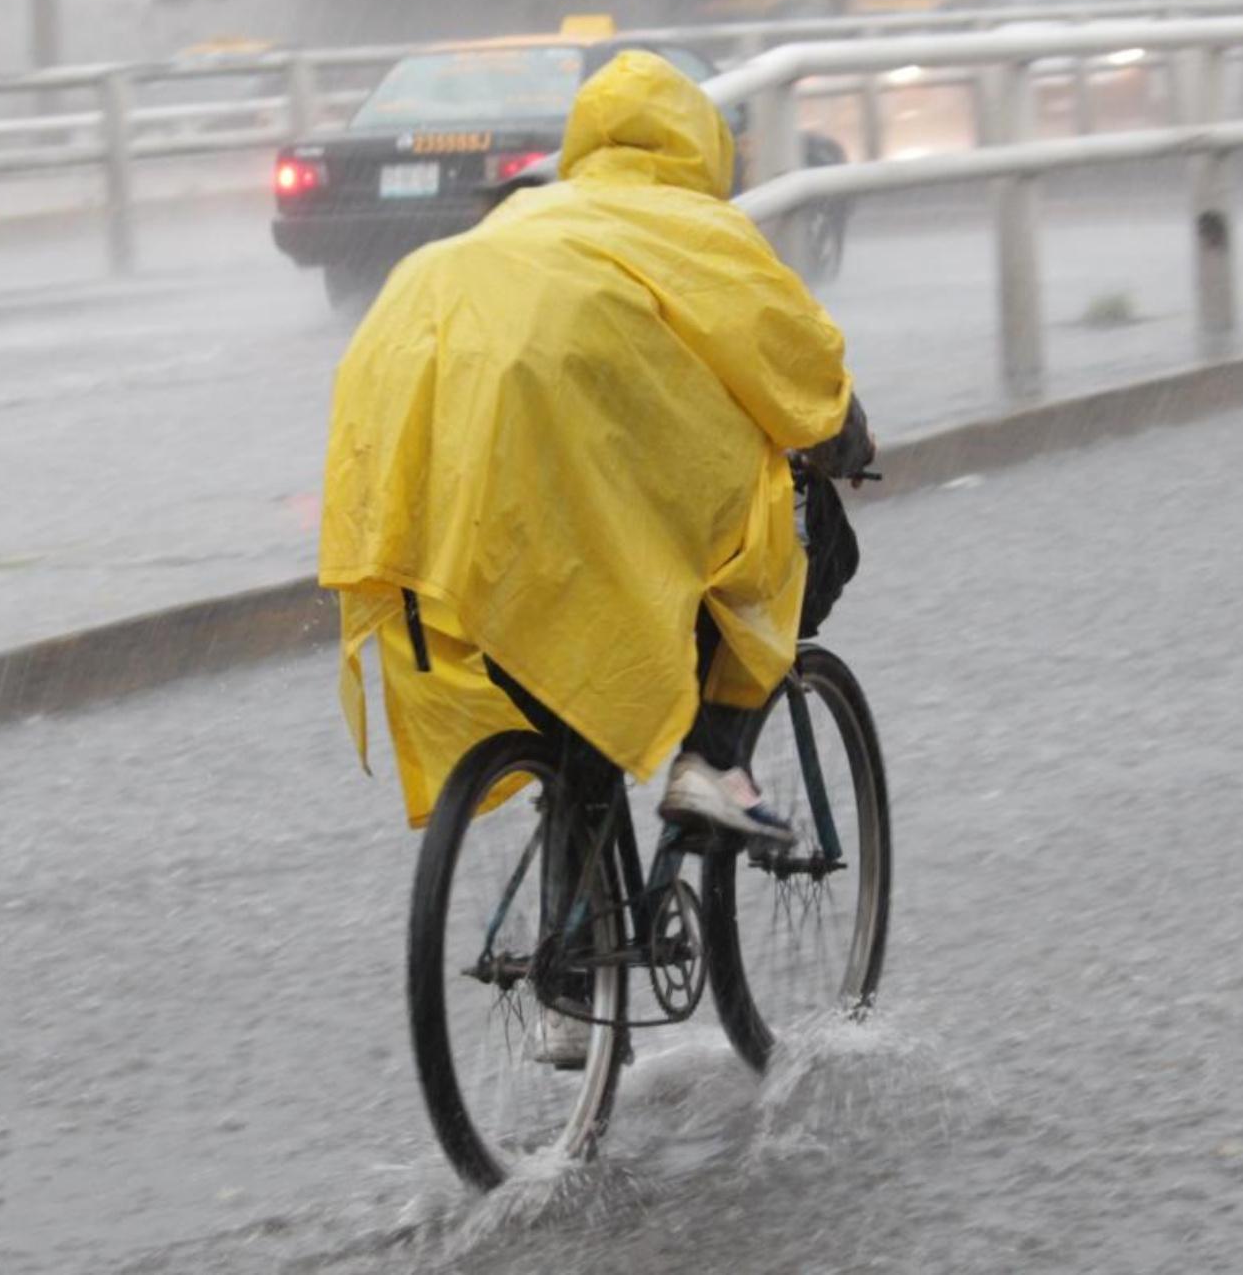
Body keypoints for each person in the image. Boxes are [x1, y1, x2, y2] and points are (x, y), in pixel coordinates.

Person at [319, 49, 872, 850]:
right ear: (700, 147)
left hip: (439, 444)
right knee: (778, 539)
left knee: (551, 629)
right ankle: (713, 762)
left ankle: (574, 889)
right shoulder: (699, 228)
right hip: (569, 460)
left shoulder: (523, 215)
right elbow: (794, 364)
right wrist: (846, 440)